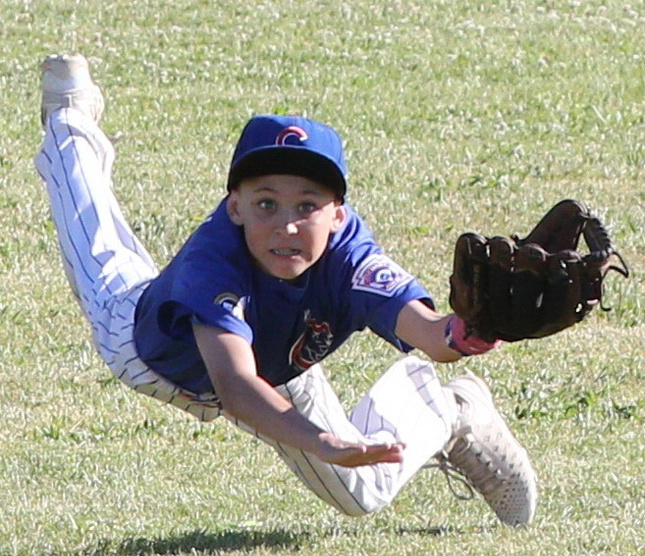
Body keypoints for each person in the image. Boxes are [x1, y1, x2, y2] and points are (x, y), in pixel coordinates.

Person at [35, 54, 537, 526]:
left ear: (337, 215)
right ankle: (69, 113)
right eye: (267, 203)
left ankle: (454, 411)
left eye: (307, 206)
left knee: (362, 493)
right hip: (145, 341)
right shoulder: (214, 263)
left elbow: (429, 333)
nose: (287, 226)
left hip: (278, 369)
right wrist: (320, 441)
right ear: (235, 207)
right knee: (93, 231)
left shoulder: (350, 256)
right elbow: (234, 386)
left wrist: (469, 333)